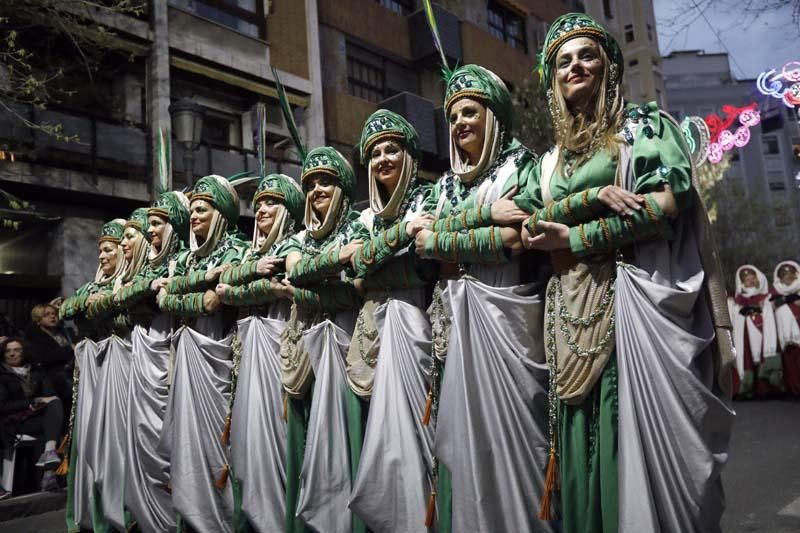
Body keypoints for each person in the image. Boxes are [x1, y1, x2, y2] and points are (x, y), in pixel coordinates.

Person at [522, 13, 734, 532]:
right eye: (563, 61)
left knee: (636, 457)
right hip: (569, 323)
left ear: (609, 66)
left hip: (636, 318)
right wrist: (594, 199)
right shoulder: (548, 164)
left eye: (586, 55)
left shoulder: (643, 128)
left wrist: (572, 237)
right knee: (578, 458)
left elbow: (665, 205)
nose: (575, 67)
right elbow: (526, 226)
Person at [411, 61, 550, 531]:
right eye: (452, 117)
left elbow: (515, 240)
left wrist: (445, 238)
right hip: (455, 323)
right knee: (464, 442)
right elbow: (421, 239)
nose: (459, 124)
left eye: (469, 112)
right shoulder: (445, 184)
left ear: (493, 116)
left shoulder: (522, 164)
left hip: (508, 315)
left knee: (515, 442)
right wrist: (487, 212)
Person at [213, 105, 306, 533]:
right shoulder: (248, 254)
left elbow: (242, 289)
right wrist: (259, 280)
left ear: (288, 210)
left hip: (281, 350)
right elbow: (224, 288)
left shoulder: (298, 244)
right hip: (248, 352)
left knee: (281, 442)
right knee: (250, 444)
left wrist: (245, 287)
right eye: (259, 204)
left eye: (271, 203)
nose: (263, 210)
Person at [346, 109, 437, 531]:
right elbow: (358, 266)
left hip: (419, 325)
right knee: (382, 443)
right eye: (375, 153)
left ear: (409, 155)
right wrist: (400, 236)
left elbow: (425, 264)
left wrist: (378, 269)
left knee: (423, 437)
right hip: (372, 338)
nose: (382, 159)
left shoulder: (431, 197)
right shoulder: (366, 219)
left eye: (391, 149)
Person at [279, 146, 368, 533]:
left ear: (343, 188)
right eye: (311, 184)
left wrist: (305, 287)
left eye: (326, 182)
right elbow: (295, 273)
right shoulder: (299, 239)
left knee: (350, 450)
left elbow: (357, 289)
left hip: (350, 351)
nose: (316, 190)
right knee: (308, 453)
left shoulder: (361, 226)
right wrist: (335, 262)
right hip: (305, 358)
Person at [157, 173, 249, 533]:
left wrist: (187, 297)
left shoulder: (237, 249)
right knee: (187, 442)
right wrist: (202, 291)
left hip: (219, 355)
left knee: (221, 444)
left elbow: (216, 301)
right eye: (192, 209)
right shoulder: (183, 259)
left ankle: (224, 521)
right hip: (185, 353)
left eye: (202, 209)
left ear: (221, 213)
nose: (193, 216)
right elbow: (165, 298)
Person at [60, 219, 126, 533]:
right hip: (90, 373)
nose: (101, 256)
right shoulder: (91, 286)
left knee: (114, 439)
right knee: (87, 439)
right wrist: (85, 302)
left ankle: (117, 509)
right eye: (100, 250)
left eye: (108, 250)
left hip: (118, 370)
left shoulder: (125, 284)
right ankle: (89, 510)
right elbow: (64, 308)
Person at [0, 337, 63, 492]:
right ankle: (48, 471)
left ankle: (49, 454)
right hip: (14, 423)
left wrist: (42, 402)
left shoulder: (36, 372)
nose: (12, 354)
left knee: (55, 404)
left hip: (37, 418)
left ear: (24, 352)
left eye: (16, 350)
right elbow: (3, 406)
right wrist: (32, 402)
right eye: (8, 351)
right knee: (51, 429)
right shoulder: (2, 376)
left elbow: (51, 395)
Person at [730, 265, 781, 398]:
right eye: (747, 279)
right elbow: (734, 318)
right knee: (748, 361)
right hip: (745, 336)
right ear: (742, 282)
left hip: (761, 334)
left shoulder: (764, 298)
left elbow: (769, 312)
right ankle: (748, 390)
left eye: (753, 278)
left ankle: (767, 390)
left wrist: (757, 309)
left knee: (761, 359)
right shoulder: (738, 302)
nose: (750, 281)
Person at [25, 304, 74, 415]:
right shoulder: (36, 335)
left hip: (70, 371)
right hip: (53, 376)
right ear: (38, 320)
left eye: (54, 314)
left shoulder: (63, 332)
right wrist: (70, 350)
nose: (52, 317)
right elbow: (47, 357)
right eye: (46, 315)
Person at [772, 260, 800, 396]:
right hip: (785, 337)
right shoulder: (775, 294)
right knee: (789, 363)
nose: (787, 278)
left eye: (790, 275)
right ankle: (793, 389)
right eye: (784, 275)